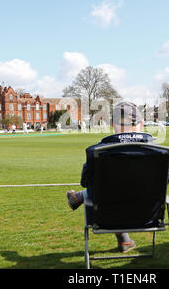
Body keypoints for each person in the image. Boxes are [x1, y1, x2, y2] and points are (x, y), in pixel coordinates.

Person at [66, 101, 161, 253]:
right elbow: (162, 184)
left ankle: (78, 198)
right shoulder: (160, 152)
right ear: (141, 124)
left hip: (107, 216)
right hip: (149, 217)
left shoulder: (96, 152)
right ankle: (125, 241)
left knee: (103, 192)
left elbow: (85, 182)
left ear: (112, 124)